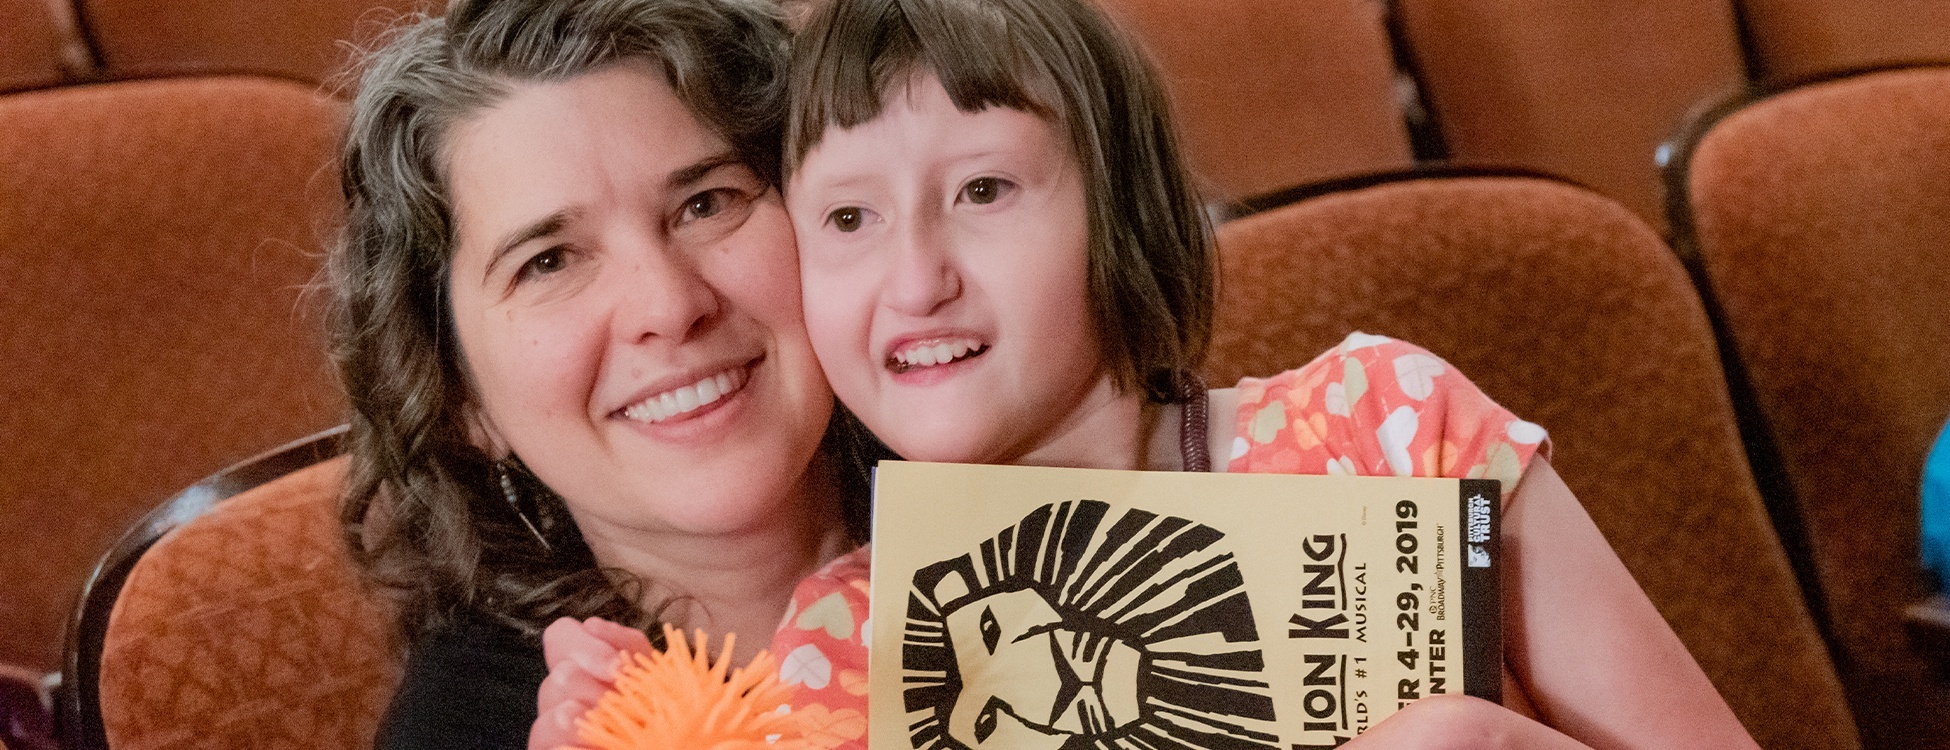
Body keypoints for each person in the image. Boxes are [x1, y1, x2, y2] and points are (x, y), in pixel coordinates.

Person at [537, 0, 1758, 748]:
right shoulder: (830, 660)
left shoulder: (1392, 429)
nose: (916, 281)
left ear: (1120, 211)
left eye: (983, 191)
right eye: (847, 221)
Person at [324, 0, 874, 747]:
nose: (670, 304)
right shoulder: (463, 730)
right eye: (547, 262)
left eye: (705, 203)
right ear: (457, 395)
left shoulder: (1033, 496)